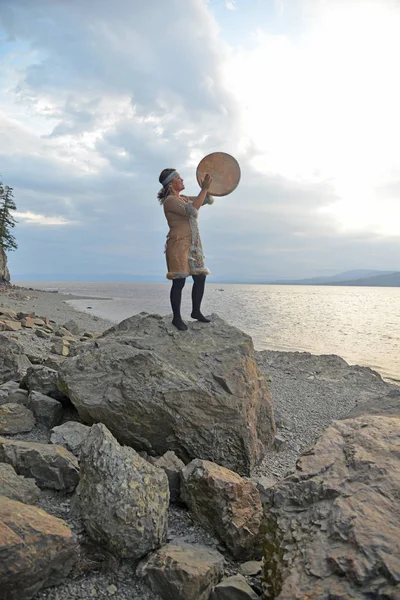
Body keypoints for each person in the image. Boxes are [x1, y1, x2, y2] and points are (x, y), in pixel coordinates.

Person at [158, 168, 213, 331]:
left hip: (193, 245)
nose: (182, 180)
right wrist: (203, 189)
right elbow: (193, 210)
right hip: (178, 245)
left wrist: (209, 188)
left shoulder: (182, 198)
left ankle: (196, 311)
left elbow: (202, 200)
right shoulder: (170, 201)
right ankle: (176, 318)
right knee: (179, 281)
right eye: (179, 178)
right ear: (171, 183)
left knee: (200, 276)